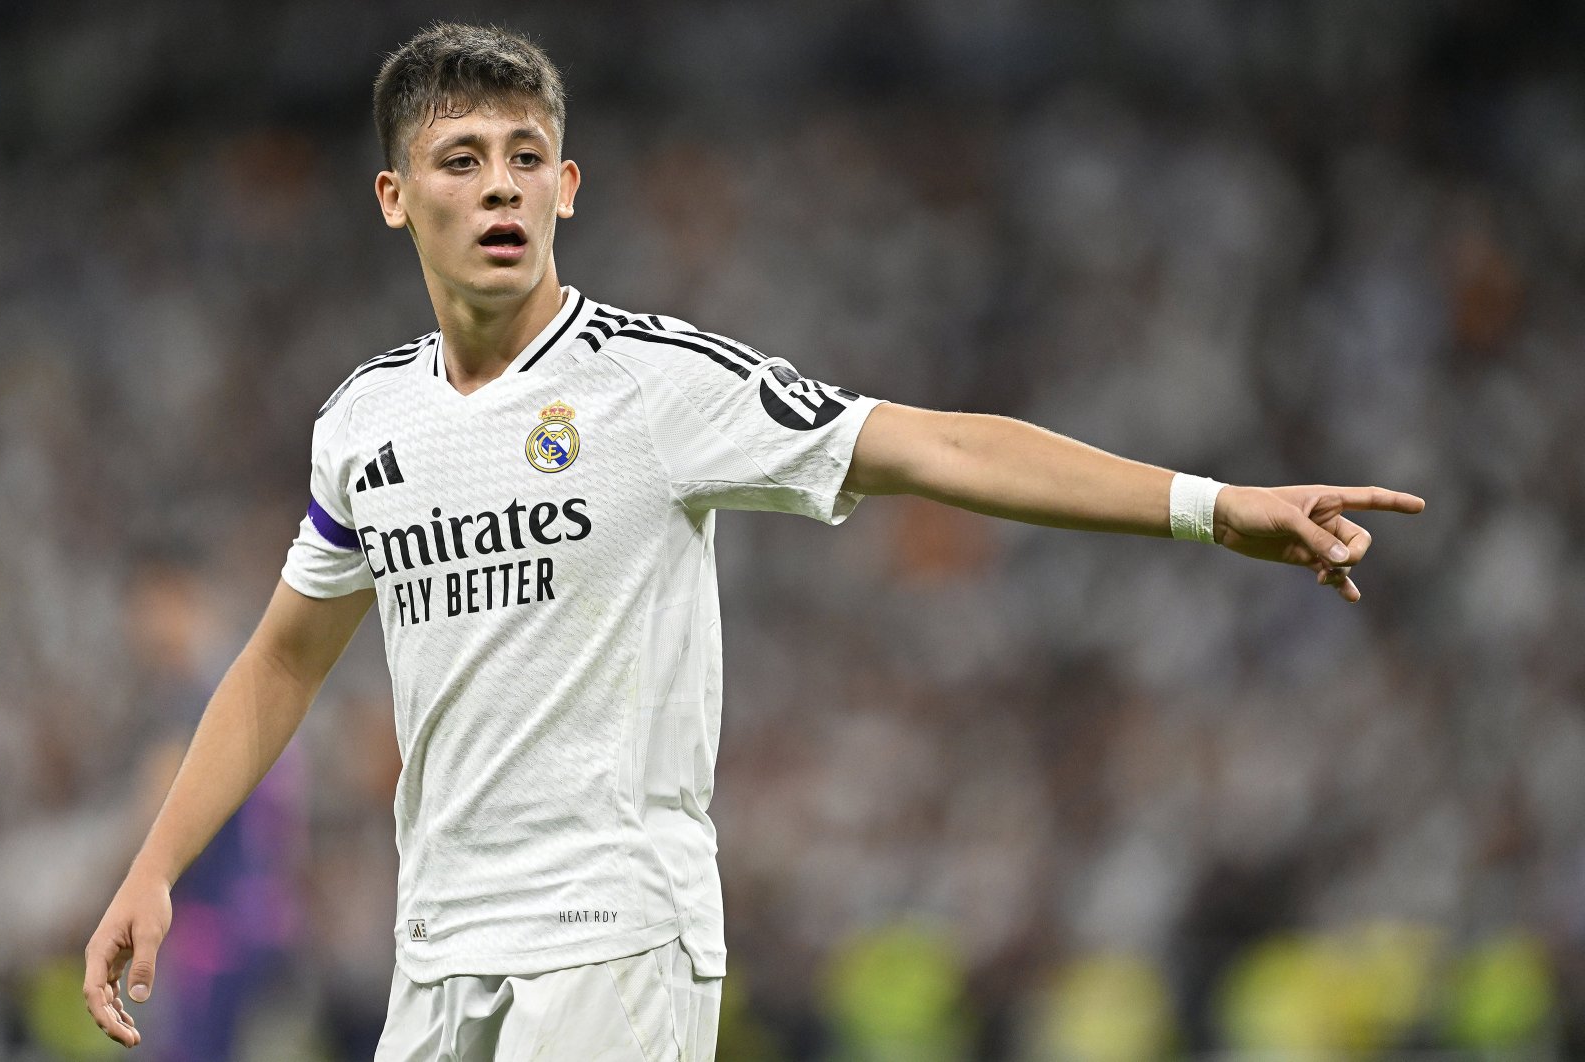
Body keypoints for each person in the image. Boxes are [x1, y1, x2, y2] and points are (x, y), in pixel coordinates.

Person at [82, 21, 1424, 1062]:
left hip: (613, 933)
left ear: (568, 184)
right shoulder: (362, 422)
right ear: (393, 195)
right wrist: (156, 866)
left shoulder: (654, 387)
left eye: (526, 156)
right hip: (437, 942)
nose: (501, 188)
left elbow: (933, 444)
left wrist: (1209, 502)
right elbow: (276, 664)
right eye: (461, 159)